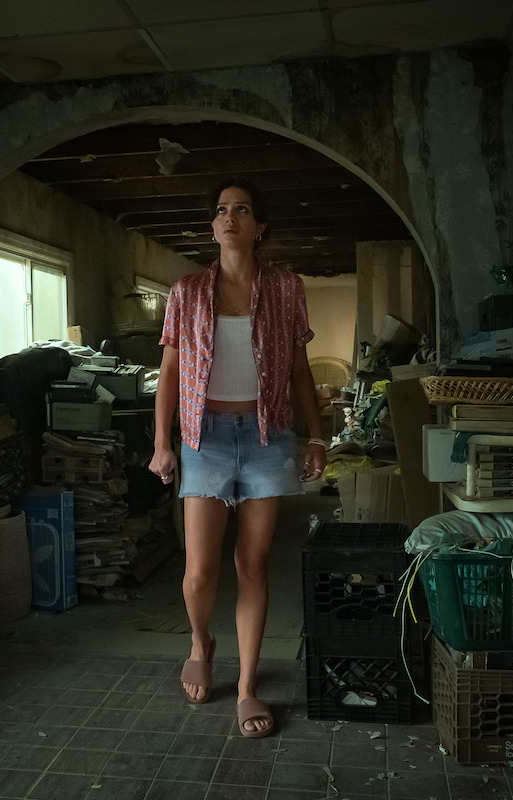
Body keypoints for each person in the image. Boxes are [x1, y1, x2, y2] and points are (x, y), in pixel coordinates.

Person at [148, 177, 328, 739]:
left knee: (252, 566)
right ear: (213, 225)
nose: (230, 218)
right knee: (199, 572)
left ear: (259, 226)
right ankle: (202, 639)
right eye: (222, 210)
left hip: (267, 434)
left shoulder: (286, 288)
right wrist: (161, 443)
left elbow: (299, 371)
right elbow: (171, 376)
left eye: (242, 209)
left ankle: (247, 688)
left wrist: (317, 437)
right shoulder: (185, 291)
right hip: (203, 438)